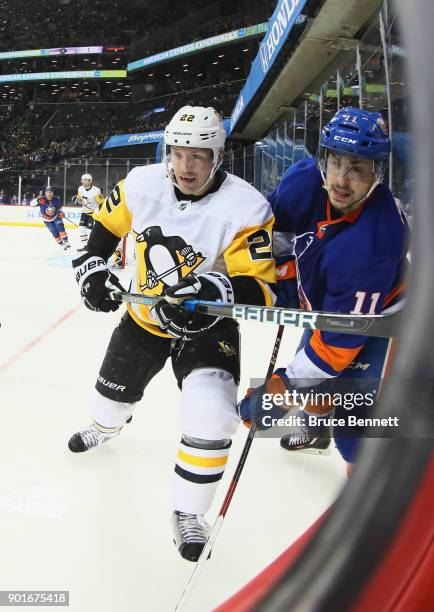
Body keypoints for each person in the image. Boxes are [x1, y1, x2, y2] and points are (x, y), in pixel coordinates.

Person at [68, 106, 276, 561]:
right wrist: (91, 269)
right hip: (144, 322)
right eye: (179, 152)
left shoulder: (247, 206)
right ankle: (109, 425)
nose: (186, 165)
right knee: (106, 403)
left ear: (218, 156)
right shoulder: (142, 183)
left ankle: (189, 512)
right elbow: (103, 227)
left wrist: (213, 289)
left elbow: (260, 286)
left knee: (213, 415)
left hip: (208, 329)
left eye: (199, 155)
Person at [237, 107, 409, 476]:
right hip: (329, 297)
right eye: (336, 163)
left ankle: (365, 504)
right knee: (315, 379)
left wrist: (279, 392)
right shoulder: (303, 178)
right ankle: (316, 432)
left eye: (358, 169)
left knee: (355, 425)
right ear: (323, 160)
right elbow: (276, 239)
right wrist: (276, 281)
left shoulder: (374, 240)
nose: (342, 180)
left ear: (377, 172)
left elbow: (336, 347)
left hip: (378, 320)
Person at [30, 185, 70, 250]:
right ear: (45, 193)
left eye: (51, 192)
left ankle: (66, 241)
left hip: (56, 216)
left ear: (53, 193)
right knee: (54, 232)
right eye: (48, 192)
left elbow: (59, 209)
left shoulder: (56, 199)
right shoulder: (41, 199)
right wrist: (37, 200)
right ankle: (61, 244)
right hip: (46, 219)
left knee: (59, 225)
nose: (49, 193)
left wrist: (61, 213)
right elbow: (31, 204)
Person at [72, 173, 104, 252]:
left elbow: (102, 202)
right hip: (85, 212)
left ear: (90, 181)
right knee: (82, 228)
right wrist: (76, 199)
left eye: (85, 180)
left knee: (91, 231)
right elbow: (79, 198)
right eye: (82, 180)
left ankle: (93, 246)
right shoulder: (80, 189)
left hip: (93, 214)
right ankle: (85, 246)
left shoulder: (96, 191)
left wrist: (100, 212)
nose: (83, 182)